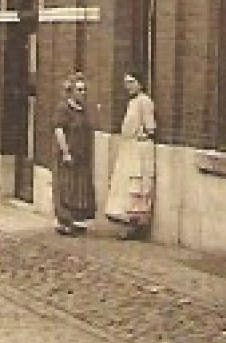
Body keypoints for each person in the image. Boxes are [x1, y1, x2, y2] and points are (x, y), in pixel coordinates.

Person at [104, 73, 157, 236]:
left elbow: (151, 127)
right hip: (128, 147)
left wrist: (145, 133)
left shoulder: (145, 101)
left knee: (137, 183)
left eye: (132, 82)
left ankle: (136, 225)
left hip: (139, 149)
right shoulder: (132, 102)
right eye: (126, 82)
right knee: (125, 184)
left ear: (140, 83)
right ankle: (127, 222)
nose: (129, 86)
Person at [52, 71, 97, 235]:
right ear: (71, 91)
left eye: (84, 90)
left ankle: (77, 220)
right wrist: (65, 152)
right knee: (67, 187)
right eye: (79, 90)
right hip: (69, 154)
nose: (82, 93)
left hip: (82, 156)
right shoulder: (63, 108)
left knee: (80, 188)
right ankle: (64, 221)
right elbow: (59, 130)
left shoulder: (83, 110)